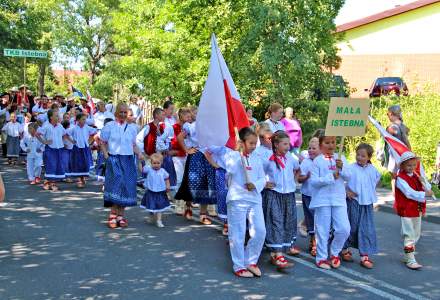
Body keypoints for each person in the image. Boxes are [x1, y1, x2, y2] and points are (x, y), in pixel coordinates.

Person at [225, 127, 266, 278]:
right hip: (237, 198)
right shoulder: (232, 155)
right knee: (238, 233)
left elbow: (262, 178)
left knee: (260, 230)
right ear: (242, 142)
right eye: (251, 143)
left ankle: (251, 261)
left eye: (255, 143)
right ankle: (239, 265)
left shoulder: (257, 157)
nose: (254, 146)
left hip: (254, 198)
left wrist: (255, 184)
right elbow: (229, 171)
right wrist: (238, 154)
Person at [100, 103, 145, 229]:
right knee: (116, 185)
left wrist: (140, 154)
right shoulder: (109, 126)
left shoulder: (132, 128)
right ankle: (113, 214)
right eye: (121, 112)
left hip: (128, 160)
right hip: (114, 159)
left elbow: (133, 145)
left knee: (126, 186)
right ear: (116, 112)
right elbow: (102, 142)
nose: (123, 114)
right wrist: (106, 156)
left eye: (125, 112)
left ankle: (121, 215)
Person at [310, 134, 351, 269]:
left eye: (333, 142)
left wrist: (342, 168)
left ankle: (334, 252)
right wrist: (330, 177)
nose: (331, 145)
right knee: (323, 230)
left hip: (339, 199)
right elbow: (314, 182)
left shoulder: (341, 158)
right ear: (321, 145)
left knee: (344, 229)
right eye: (327, 143)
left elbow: (349, 177)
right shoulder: (317, 161)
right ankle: (321, 257)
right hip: (322, 200)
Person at [263, 130, 300, 269]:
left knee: (287, 221)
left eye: (288, 143)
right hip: (274, 194)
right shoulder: (268, 158)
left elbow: (298, 168)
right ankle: (278, 254)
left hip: (288, 194)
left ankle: (278, 251)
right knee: (276, 222)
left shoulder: (290, 157)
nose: (288, 146)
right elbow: (259, 172)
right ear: (276, 144)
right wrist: (265, 183)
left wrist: (294, 181)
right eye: (285, 144)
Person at [341, 143, 381, 269]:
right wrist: (346, 192)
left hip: (367, 204)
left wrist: (370, 193)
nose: (359, 157)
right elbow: (340, 181)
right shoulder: (350, 168)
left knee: (366, 229)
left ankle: (364, 256)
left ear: (369, 157)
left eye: (363, 156)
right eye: (358, 155)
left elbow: (376, 180)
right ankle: (344, 249)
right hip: (353, 202)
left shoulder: (373, 169)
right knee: (351, 227)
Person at [175, 106, 216, 224]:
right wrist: (187, 150)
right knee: (192, 183)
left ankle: (203, 214)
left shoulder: (209, 127)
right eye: (196, 113)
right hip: (196, 156)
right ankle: (188, 207)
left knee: (206, 184)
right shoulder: (190, 126)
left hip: (207, 156)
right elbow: (179, 137)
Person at [394, 151, 433, 270]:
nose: (411, 168)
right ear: (403, 166)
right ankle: (411, 259)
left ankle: (407, 255)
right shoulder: (400, 179)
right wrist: (424, 194)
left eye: (413, 165)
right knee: (409, 235)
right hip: (406, 210)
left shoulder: (416, 176)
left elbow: (428, 188)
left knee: (416, 235)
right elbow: (409, 193)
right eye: (408, 165)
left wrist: (424, 182)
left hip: (417, 209)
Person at [37, 109, 74, 191]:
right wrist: (44, 141)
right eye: (56, 116)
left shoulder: (60, 126)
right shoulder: (46, 126)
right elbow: (37, 134)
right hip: (50, 149)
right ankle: (50, 183)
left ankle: (51, 183)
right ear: (51, 117)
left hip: (59, 149)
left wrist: (72, 141)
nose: (58, 117)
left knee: (57, 166)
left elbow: (65, 135)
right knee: (51, 165)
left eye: (58, 116)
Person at [298, 137, 320, 256]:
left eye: (314, 148)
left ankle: (319, 241)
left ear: (321, 149)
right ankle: (313, 240)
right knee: (310, 218)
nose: (311, 150)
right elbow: (299, 179)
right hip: (308, 195)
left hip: (320, 196)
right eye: (309, 148)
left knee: (320, 218)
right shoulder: (306, 162)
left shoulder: (322, 161)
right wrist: (306, 177)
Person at [140, 153, 171, 227]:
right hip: (151, 192)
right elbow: (142, 170)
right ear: (151, 163)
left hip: (160, 192)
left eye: (158, 163)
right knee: (151, 207)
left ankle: (159, 220)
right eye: (154, 163)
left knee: (159, 207)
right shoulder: (149, 169)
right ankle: (151, 217)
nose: (156, 165)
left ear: (161, 163)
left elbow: (167, 178)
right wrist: (140, 162)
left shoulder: (163, 171)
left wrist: (168, 185)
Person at [171, 108, 192, 215]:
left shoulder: (190, 127)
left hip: (187, 156)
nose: (189, 118)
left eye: (190, 117)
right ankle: (178, 204)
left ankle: (186, 204)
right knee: (179, 180)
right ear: (181, 116)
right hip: (178, 156)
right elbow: (174, 141)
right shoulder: (175, 127)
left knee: (188, 181)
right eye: (187, 117)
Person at [204, 145, 229, 235]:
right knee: (223, 196)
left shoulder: (239, 141)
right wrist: (215, 165)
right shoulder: (220, 144)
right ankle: (226, 223)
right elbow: (207, 152)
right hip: (222, 172)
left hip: (236, 172)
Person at [69, 113, 97, 188]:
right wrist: (72, 141)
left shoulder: (87, 127)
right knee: (78, 163)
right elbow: (65, 134)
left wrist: (90, 141)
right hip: (77, 148)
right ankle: (79, 179)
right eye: (83, 119)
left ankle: (83, 178)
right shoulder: (74, 128)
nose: (85, 121)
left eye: (85, 119)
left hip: (85, 148)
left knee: (85, 163)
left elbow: (95, 132)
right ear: (78, 120)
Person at [385, 105, 411, 175]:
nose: (387, 116)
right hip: (404, 153)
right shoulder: (403, 126)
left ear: (391, 114)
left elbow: (385, 138)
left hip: (394, 154)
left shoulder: (391, 127)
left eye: (387, 114)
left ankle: (394, 186)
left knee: (394, 176)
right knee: (403, 174)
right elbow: (407, 133)